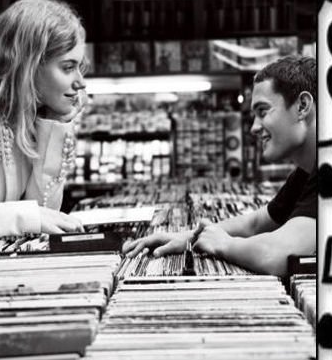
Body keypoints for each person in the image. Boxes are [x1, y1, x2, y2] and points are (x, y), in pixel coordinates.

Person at [123, 55, 317, 277]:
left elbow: (280, 255)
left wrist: (223, 244)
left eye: (263, 111)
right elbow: (256, 223)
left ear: (302, 106)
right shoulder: (306, 173)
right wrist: (189, 237)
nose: (254, 127)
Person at [0, 0, 88, 237]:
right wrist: (26, 217)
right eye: (68, 68)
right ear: (29, 65)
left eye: (79, 67)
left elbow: (43, 216)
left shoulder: (27, 125)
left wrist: (57, 125)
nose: (81, 82)